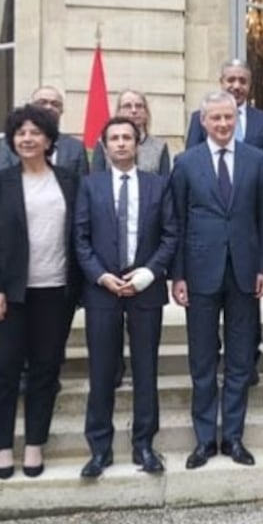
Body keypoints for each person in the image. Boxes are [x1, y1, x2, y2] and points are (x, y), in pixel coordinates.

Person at [0, 105, 82, 479]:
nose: (27, 138)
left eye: (35, 133)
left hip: (55, 292)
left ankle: (35, 443)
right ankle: (2, 447)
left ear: (49, 140)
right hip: (8, 295)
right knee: (2, 371)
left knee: (45, 370)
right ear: (12, 139)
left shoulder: (69, 181)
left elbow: (79, 234)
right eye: (21, 133)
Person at [172, 92, 263, 469]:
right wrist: (177, 275)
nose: (223, 124)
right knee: (202, 360)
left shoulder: (257, 160)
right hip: (199, 273)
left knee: (240, 360)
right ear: (203, 121)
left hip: (245, 272)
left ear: (236, 119)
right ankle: (203, 440)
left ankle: (232, 437)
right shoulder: (185, 163)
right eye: (215, 118)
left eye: (228, 117)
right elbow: (177, 222)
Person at [75, 116, 178, 479]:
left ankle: (144, 445)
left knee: (146, 369)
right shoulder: (90, 186)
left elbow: (170, 236)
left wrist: (149, 273)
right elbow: (80, 239)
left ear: (137, 144)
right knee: (102, 370)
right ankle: (99, 449)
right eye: (114, 138)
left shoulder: (158, 185)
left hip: (145, 288)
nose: (120, 143)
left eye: (127, 138)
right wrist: (102, 277)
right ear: (104, 146)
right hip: (101, 290)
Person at [185, 59, 263, 168]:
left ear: (250, 84)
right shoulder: (200, 117)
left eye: (243, 81)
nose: (237, 86)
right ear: (221, 82)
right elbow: (191, 160)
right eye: (231, 80)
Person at [0, 86, 89, 175]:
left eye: (55, 104)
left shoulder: (76, 147)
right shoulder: (10, 144)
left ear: (61, 111)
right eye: (42, 102)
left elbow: (83, 185)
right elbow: (2, 181)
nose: (48, 107)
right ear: (31, 107)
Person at [91, 89, 172, 176]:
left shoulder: (159, 146)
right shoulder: (104, 145)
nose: (134, 110)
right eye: (127, 106)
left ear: (146, 112)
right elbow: (96, 182)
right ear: (118, 112)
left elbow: (164, 183)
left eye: (139, 106)